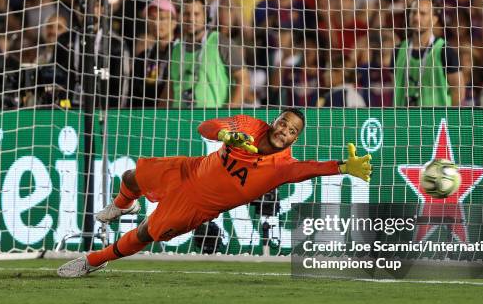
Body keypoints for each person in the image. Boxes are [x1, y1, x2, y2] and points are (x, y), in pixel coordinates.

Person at [57, 109, 372, 277]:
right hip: (189, 170)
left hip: (196, 206)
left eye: (292, 131)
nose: (284, 131)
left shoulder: (283, 167)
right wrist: (226, 135)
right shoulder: (249, 126)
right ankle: (121, 205)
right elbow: (206, 127)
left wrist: (344, 167)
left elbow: (313, 168)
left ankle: (93, 261)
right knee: (132, 176)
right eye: (282, 123)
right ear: (274, 120)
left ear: (295, 139)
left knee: (144, 233)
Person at [167, 0, 247, 108]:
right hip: (179, 120)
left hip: (213, 121)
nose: (190, 18)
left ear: (206, 16)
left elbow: (243, 79)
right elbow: (169, 90)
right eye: (186, 14)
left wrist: (229, 114)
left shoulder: (220, 42)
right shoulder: (176, 49)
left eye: (196, 14)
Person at [392, 0, 464, 107]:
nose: (416, 18)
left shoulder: (445, 50)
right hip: (403, 121)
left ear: (434, 19)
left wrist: (451, 119)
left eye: (423, 14)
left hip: (436, 122)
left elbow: (458, 91)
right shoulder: (398, 50)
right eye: (413, 12)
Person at [131, 0, 177, 107]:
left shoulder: (182, 53)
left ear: (174, 23)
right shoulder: (143, 56)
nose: (156, 23)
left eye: (162, 18)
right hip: (146, 116)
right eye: (152, 18)